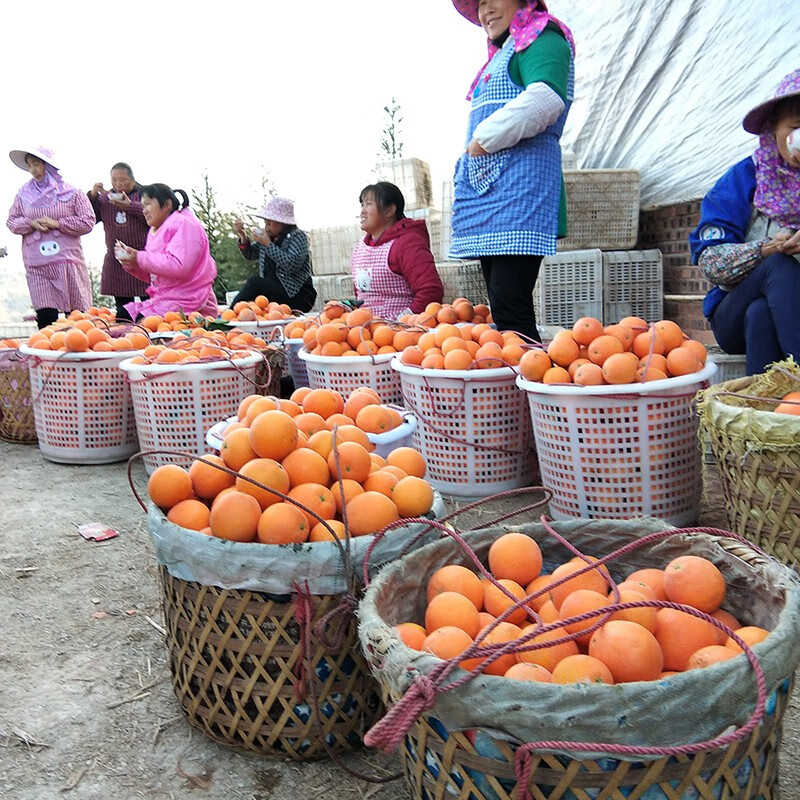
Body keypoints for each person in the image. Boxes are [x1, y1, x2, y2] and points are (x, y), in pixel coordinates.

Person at [448, 0, 574, 340]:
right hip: (493, 196)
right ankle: (513, 367)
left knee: (510, 303)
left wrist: (482, 140)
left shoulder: (542, 37)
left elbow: (545, 98)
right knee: (503, 305)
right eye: (480, 3)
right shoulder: (506, 51)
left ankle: (527, 370)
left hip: (521, 194)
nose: (485, 10)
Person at [690, 69, 800, 375]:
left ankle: (766, 400)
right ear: (774, 127)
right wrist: (766, 249)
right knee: (779, 266)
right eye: (796, 127)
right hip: (732, 313)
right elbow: (711, 262)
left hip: (774, 315)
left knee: (761, 313)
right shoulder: (744, 179)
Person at [5, 146, 95, 329]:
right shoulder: (23, 195)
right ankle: (47, 347)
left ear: (48, 165)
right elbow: (12, 221)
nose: (33, 170)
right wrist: (31, 223)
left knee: (77, 316)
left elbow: (88, 221)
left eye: (37, 164)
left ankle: (78, 347)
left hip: (67, 261)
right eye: (29, 165)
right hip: (37, 264)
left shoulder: (72, 193)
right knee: (46, 316)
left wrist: (58, 223)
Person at [115, 183, 218, 320]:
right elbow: (157, 274)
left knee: (144, 321)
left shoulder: (184, 224)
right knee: (123, 315)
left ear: (167, 204)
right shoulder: (155, 230)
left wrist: (139, 257)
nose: (144, 211)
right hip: (165, 297)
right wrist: (132, 263)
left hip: (189, 298)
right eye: (143, 206)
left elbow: (179, 266)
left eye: (148, 204)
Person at [350, 181, 443, 319]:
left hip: (401, 328)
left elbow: (430, 292)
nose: (362, 211)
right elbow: (360, 294)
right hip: (366, 327)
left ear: (390, 210)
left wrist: (403, 320)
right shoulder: (360, 248)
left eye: (368, 204)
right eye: (362, 204)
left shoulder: (408, 243)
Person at [88, 162, 150, 321]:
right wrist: (93, 197)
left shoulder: (144, 196)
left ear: (133, 180)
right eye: (114, 180)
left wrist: (130, 206)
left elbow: (153, 218)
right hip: (117, 260)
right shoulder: (105, 199)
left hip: (142, 258)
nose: (118, 184)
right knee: (123, 311)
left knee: (149, 307)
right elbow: (90, 219)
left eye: (122, 180)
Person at [231, 197, 316, 311]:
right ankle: (233, 314)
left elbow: (291, 265)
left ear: (283, 223)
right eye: (266, 222)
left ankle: (228, 315)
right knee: (253, 300)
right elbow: (250, 254)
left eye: (270, 223)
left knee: (255, 283)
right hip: (277, 292)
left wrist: (268, 245)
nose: (266, 226)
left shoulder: (298, 236)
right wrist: (243, 235)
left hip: (298, 294)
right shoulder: (270, 238)